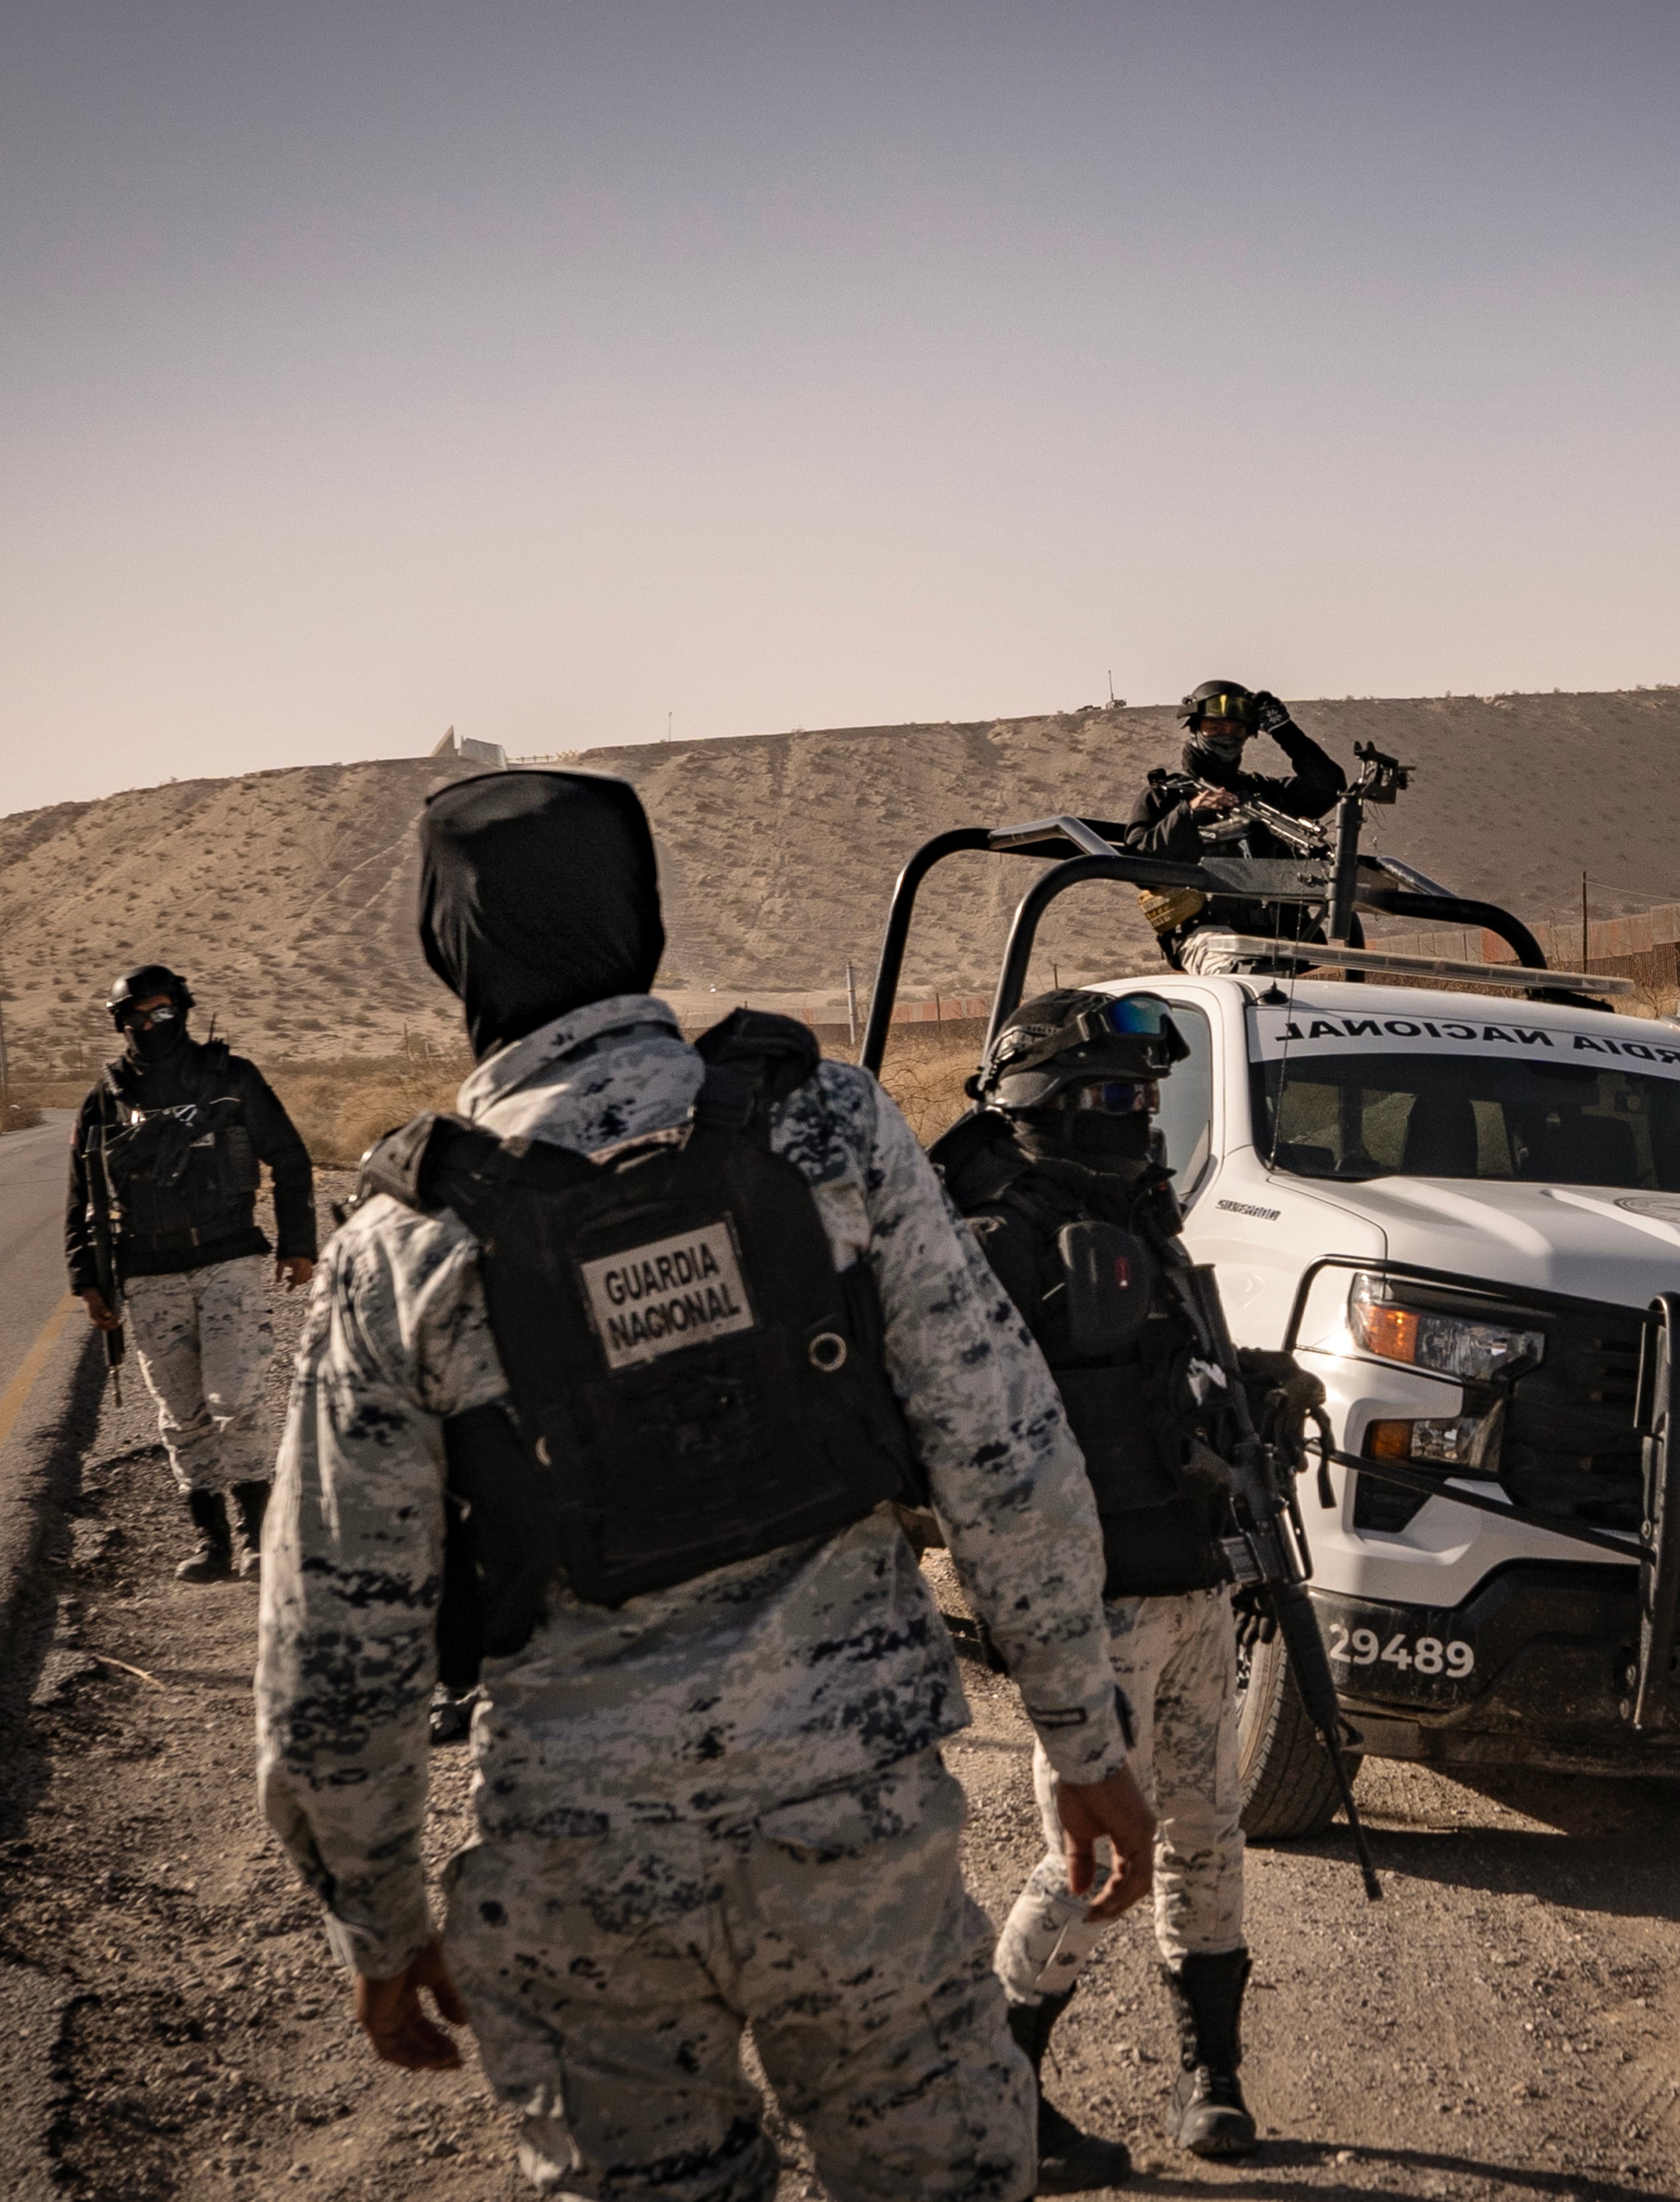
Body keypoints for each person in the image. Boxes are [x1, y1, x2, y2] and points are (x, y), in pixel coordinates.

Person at [255, 768, 1160, 2202]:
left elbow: (332, 1657)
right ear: (643, 920)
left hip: (579, 1874)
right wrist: (1080, 1734)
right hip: (854, 1844)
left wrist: (375, 1922)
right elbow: (1006, 1450)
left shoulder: (398, 1251)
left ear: (452, 950)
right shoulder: (832, 1132)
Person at [931, 990, 1262, 2186]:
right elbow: (967, 1435)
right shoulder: (999, 1236)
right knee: (1088, 1863)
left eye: (1145, 1096)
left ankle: (1212, 2072)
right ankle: (996, 2086)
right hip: (1093, 1605)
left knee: (1208, 1832)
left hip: (1192, 1576)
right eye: (1112, 1096)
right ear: (1042, 1097)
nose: (1136, 1118)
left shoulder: (1140, 1219)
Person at [64, 963, 316, 1582]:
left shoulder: (231, 1078)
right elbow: (81, 1192)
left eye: (162, 1014)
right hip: (148, 1272)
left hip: (229, 1257)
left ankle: (258, 1537)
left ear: (184, 1009)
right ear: (121, 1023)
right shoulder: (108, 1096)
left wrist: (298, 1244)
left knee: (238, 1400)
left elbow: (288, 1157)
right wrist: (87, 1279)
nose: (149, 1026)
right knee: (181, 1413)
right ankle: (212, 1543)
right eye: (136, 1018)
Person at [1125, 681, 1340, 974]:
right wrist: (1189, 814)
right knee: (1239, 980)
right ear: (1195, 726)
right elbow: (1138, 863)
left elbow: (1328, 785)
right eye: (1216, 726)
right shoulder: (1164, 797)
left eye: (1237, 729)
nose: (1227, 735)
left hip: (1290, 937)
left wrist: (1283, 729)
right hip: (1209, 937)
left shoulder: (1266, 795)